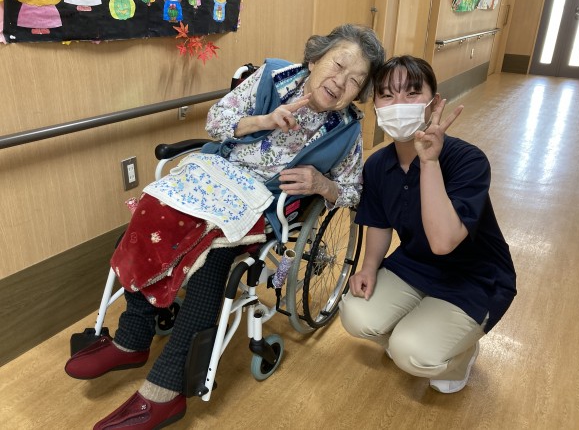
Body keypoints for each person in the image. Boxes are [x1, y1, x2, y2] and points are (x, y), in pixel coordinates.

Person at [64, 23, 384, 429]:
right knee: (149, 216)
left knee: (211, 260)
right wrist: (263, 120)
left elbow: (353, 192)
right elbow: (216, 122)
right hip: (213, 175)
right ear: (315, 59)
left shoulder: (348, 129)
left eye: (355, 81)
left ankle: (166, 391)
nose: (341, 82)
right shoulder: (272, 77)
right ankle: (132, 338)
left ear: (359, 93)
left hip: (261, 202)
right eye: (338, 65)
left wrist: (321, 184)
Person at [339, 55, 516, 394]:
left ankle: (460, 355)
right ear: (375, 106)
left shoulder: (467, 160)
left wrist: (429, 161)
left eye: (411, 93)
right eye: (387, 95)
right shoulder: (378, 165)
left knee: (412, 352)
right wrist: (369, 268)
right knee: (355, 314)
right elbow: (379, 223)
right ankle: (422, 329)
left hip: (474, 277)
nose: (398, 104)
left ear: (434, 103)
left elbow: (443, 242)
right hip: (415, 264)